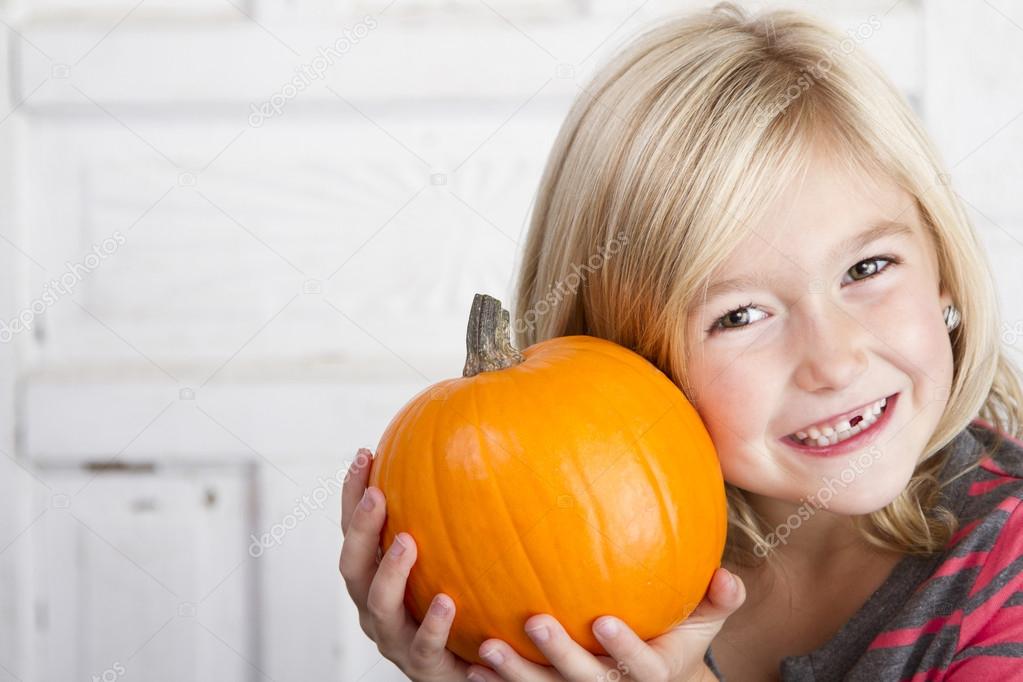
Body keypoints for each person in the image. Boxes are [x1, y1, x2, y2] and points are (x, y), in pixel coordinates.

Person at [339, 2, 1023, 679]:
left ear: (942, 270)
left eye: (866, 269)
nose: (834, 361)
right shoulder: (577, 567)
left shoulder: (1005, 569)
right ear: (626, 359)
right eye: (738, 316)